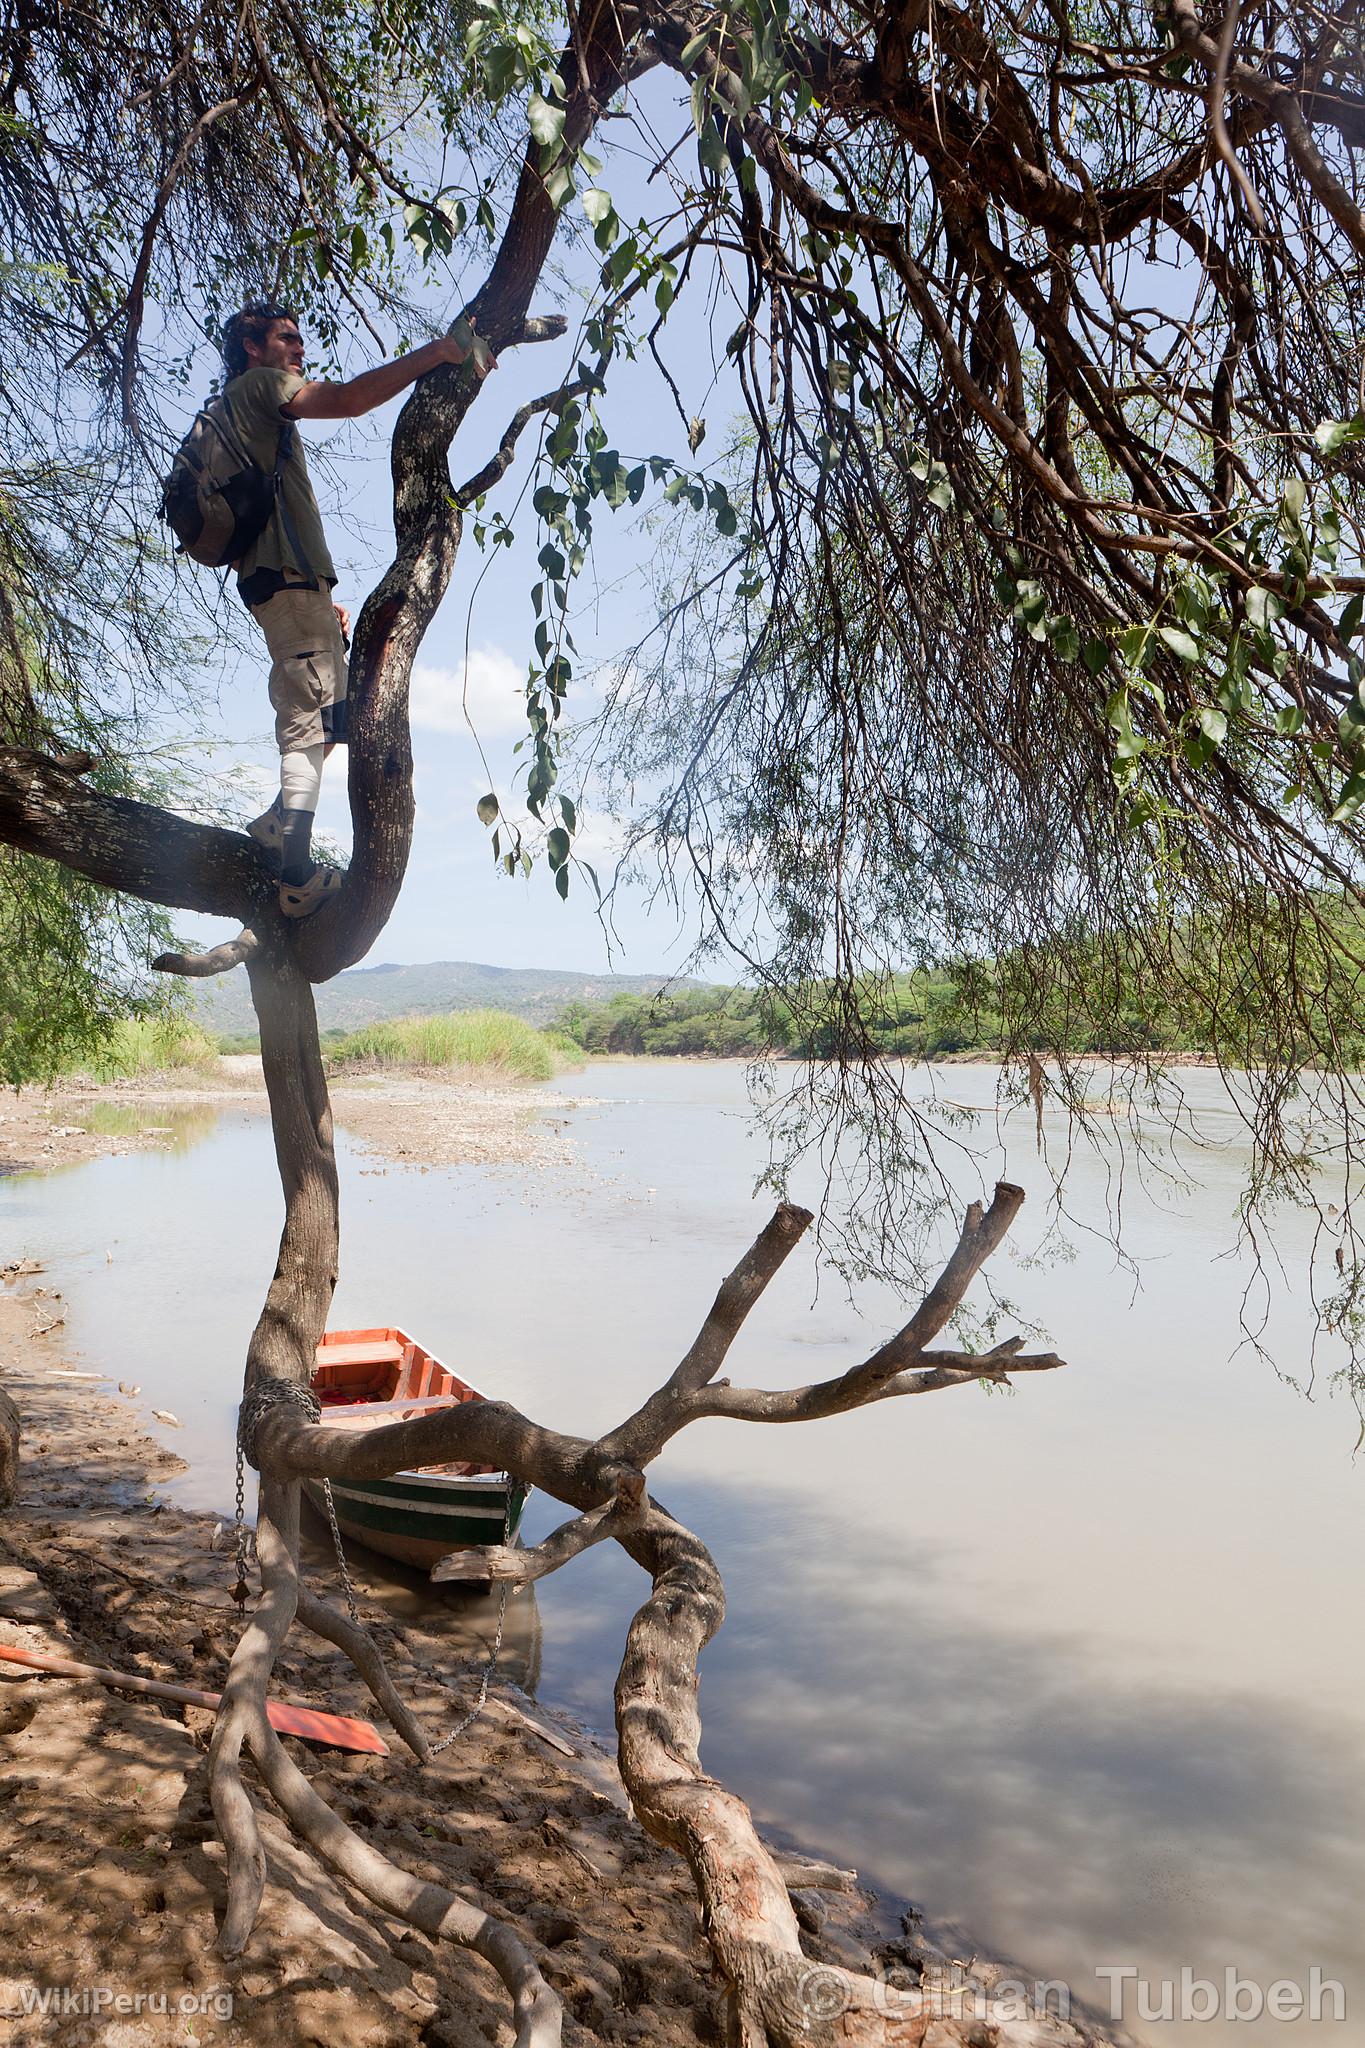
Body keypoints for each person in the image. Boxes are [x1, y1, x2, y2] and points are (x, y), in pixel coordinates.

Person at [219, 301, 495, 915]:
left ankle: (276, 824)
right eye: (286, 338)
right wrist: (440, 353)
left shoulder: (244, 411)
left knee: (334, 718)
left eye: (299, 340)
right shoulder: (262, 387)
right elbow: (345, 399)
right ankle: (294, 876)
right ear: (252, 347)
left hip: (296, 591)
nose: (298, 349)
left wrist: (317, 600)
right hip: (288, 589)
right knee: (306, 723)